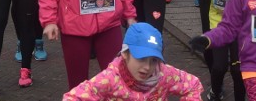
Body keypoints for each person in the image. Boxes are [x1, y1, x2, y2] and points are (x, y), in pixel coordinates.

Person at [63, 22, 204, 100]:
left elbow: (193, 85)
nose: (147, 67)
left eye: (154, 60)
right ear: (125, 53)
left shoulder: (163, 74)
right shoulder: (110, 78)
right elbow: (74, 97)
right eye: (141, 58)